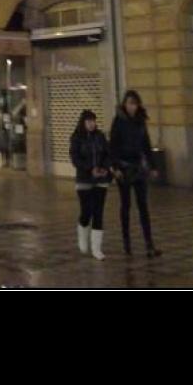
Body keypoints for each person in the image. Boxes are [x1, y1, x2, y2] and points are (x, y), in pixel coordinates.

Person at [110, 90, 162, 258]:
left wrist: (153, 166)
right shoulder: (118, 121)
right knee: (126, 206)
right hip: (124, 168)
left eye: (134, 103)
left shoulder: (141, 121)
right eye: (129, 103)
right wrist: (115, 167)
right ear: (124, 104)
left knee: (143, 206)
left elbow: (146, 144)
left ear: (138, 104)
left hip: (139, 168)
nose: (132, 106)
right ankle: (127, 244)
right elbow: (113, 146)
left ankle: (149, 245)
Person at [69, 109, 112, 260]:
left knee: (98, 212)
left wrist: (104, 168)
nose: (92, 124)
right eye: (88, 121)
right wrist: (89, 168)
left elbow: (108, 154)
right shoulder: (76, 138)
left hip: (101, 179)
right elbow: (75, 159)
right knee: (86, 211)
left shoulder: (100, 137)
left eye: (93, 121)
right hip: (84, 180)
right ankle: (82, 235)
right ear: (83, 123)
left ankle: (97, 248)